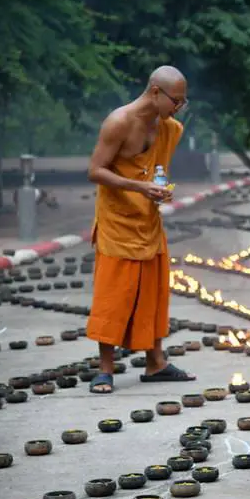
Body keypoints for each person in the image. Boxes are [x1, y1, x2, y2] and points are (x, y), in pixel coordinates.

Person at [85, 66, 194, 393]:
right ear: (156, 92)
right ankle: (105, 369)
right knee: (113, 296)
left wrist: (157, 189)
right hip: (118, 221)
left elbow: (154, 168)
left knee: (153, 293)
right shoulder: (119, 122)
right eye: (176, 101)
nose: (178, 108)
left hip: (148, 220)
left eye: (183, 102)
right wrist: (139, 187)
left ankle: (155, 362)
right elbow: (95, 171)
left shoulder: (168, 127)